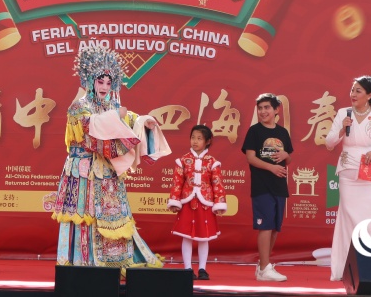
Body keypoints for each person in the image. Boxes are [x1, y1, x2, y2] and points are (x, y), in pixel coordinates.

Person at [52, 45, 169, 269]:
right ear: (90, 81)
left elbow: (128, 120)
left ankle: (117, 261)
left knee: (114, 215)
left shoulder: (111, 105)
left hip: (107, 171)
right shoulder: (78, 107)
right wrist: (116, 115)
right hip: (83, 171)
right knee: (85, 213)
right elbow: (91, 131)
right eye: (100, 81)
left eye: (109, 82)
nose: (105, 87)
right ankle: (82, 261)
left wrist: (144, 122)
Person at [325, 75, 371, 281]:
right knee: (348, 218)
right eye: (352, 90)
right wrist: (340, 129)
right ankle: (345, 268)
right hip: (348, 171)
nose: (353, 94)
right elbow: (329, 143)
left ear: (369, 95)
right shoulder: (343, 113)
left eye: (358, 91)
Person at [240, 93, 293, 282]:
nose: (263, 111)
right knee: (266, 226)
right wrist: (271, 167)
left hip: (280, 185)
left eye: (267, 108)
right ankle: (264, 268)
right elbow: (250, 158)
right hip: (262, 185)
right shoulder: (254, 131)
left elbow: (288, 158)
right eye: (260, 108)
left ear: (276, 109)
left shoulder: (283, 132)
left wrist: (285, 155)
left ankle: (264, 265)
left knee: (275, 227)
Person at [168, 124, 227, 281]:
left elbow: (217, 184)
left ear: (207, 141)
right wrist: (174, 201)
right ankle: (187, 268)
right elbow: (177, 182)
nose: (195, 141)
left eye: (199, 138)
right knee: (186, 236)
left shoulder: (212, 162)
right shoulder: (183, 160)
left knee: (204, 237)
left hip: (205, 203)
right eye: (193, 137)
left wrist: (219, 203)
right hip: (187, 203)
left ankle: (202, 268)